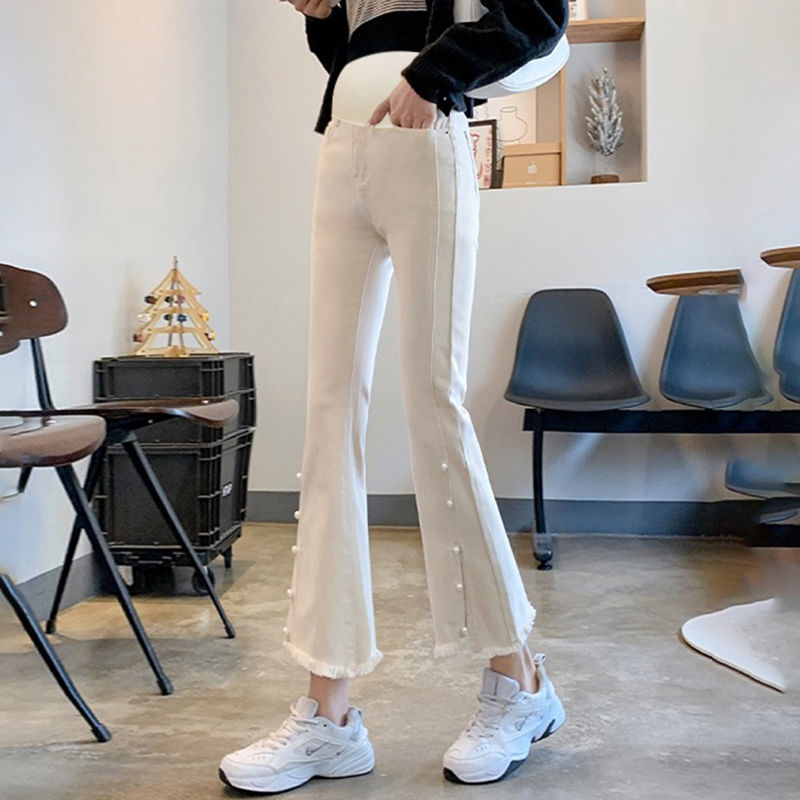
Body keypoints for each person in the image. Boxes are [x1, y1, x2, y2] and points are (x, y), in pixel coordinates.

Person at [219, 0, 569, 792]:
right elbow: (351, 45)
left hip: (427, 133)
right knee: (328, 413)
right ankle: (329, 716)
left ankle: (520, 683)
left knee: (434, 407)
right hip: (343, 144)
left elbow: (540, 13)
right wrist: (323, 14)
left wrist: (433, 74)